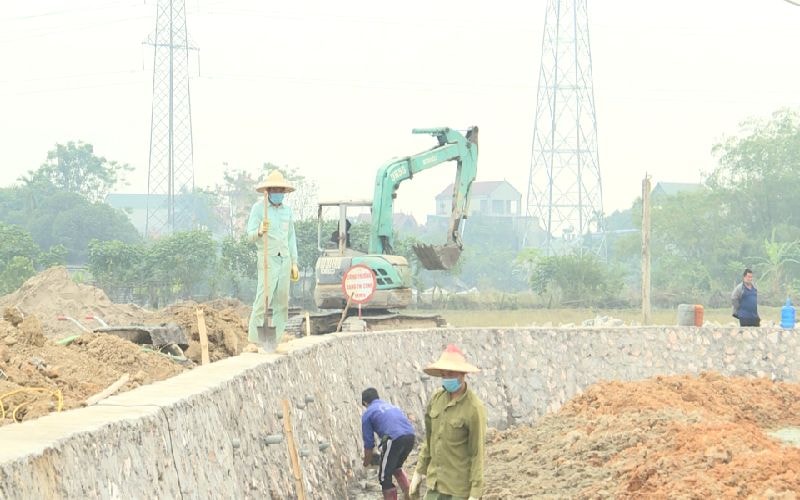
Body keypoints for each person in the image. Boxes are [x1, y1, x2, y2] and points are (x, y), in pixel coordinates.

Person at [410, 345, 486, 500]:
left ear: (463, 374)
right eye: (444, 374)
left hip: (458, 489)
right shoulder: (436, 399)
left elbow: (477, 453)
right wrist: (419, 471)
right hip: (435, 483)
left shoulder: (473, 408)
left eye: (450, 373)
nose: (446, 377)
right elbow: (429, 440)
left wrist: (475, 493)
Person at [246, 170, 300, 345]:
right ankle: (254, 341)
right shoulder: (258, 209)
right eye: (274, 190)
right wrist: (260, 230)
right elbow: (249, 235)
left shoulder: (287, 212)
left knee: (282, 301)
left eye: (280, 191)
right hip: (267, 259)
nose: (278, 193)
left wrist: (294, 262)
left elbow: (291, 237)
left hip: (284, 259)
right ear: (267, 191)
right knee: (263, 299)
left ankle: (274, 341)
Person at [361, 388, 416, 500]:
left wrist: (366, 463)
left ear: (365, 403)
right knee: (396, 467)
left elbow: (369, 444)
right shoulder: (391, 406)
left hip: (394, 439)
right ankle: (410, 496)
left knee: (384, 477)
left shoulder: (368, 413)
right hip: (410, 436)